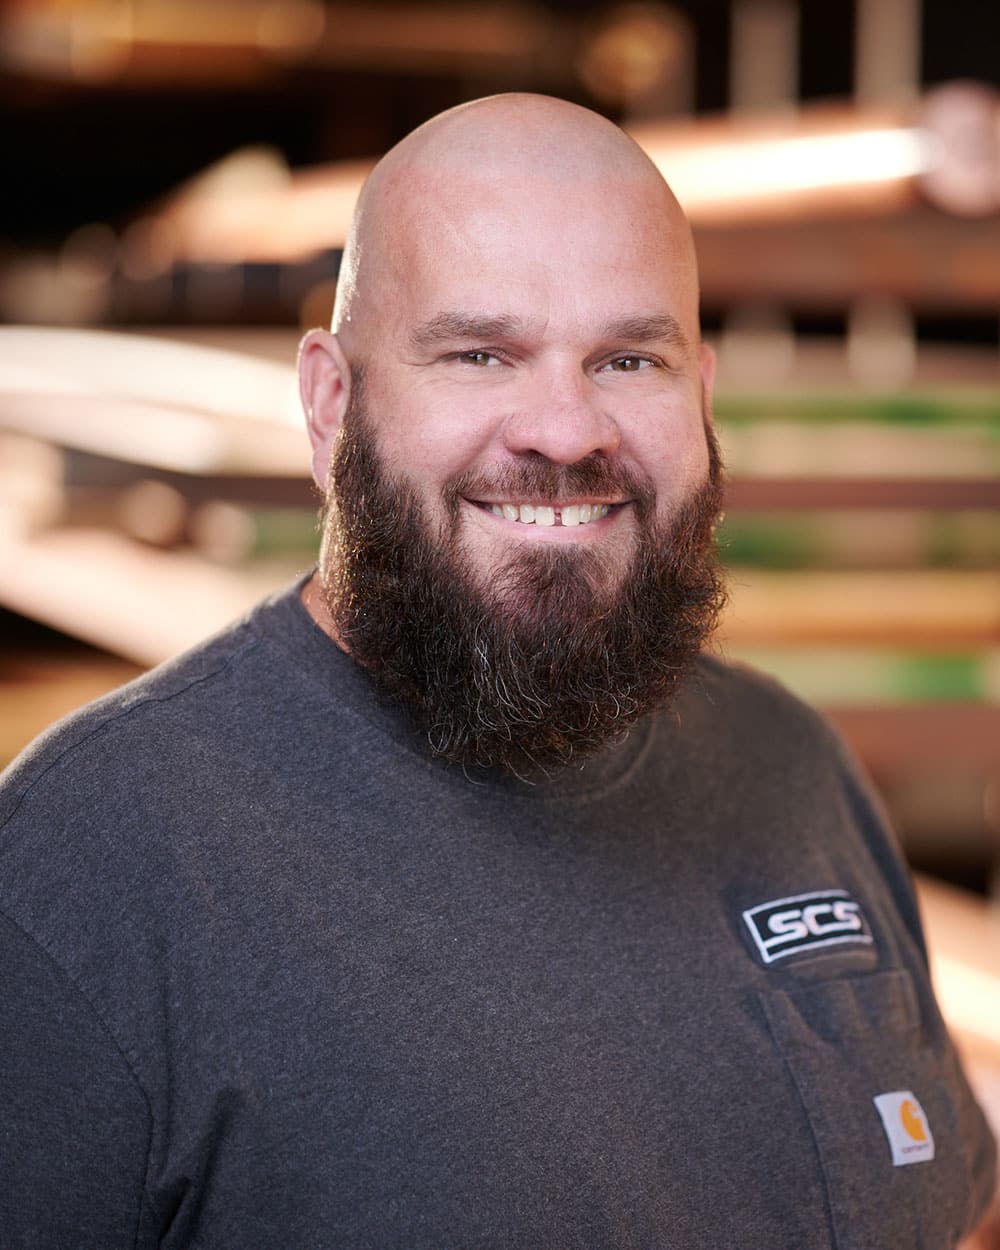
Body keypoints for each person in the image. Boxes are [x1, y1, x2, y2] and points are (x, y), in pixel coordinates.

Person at [0, 94, 994, 1249]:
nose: (566, 429)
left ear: (704, 397)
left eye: (629, 357)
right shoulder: (91, 866)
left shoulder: (792, 769)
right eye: (481, 353)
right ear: (329, 406)